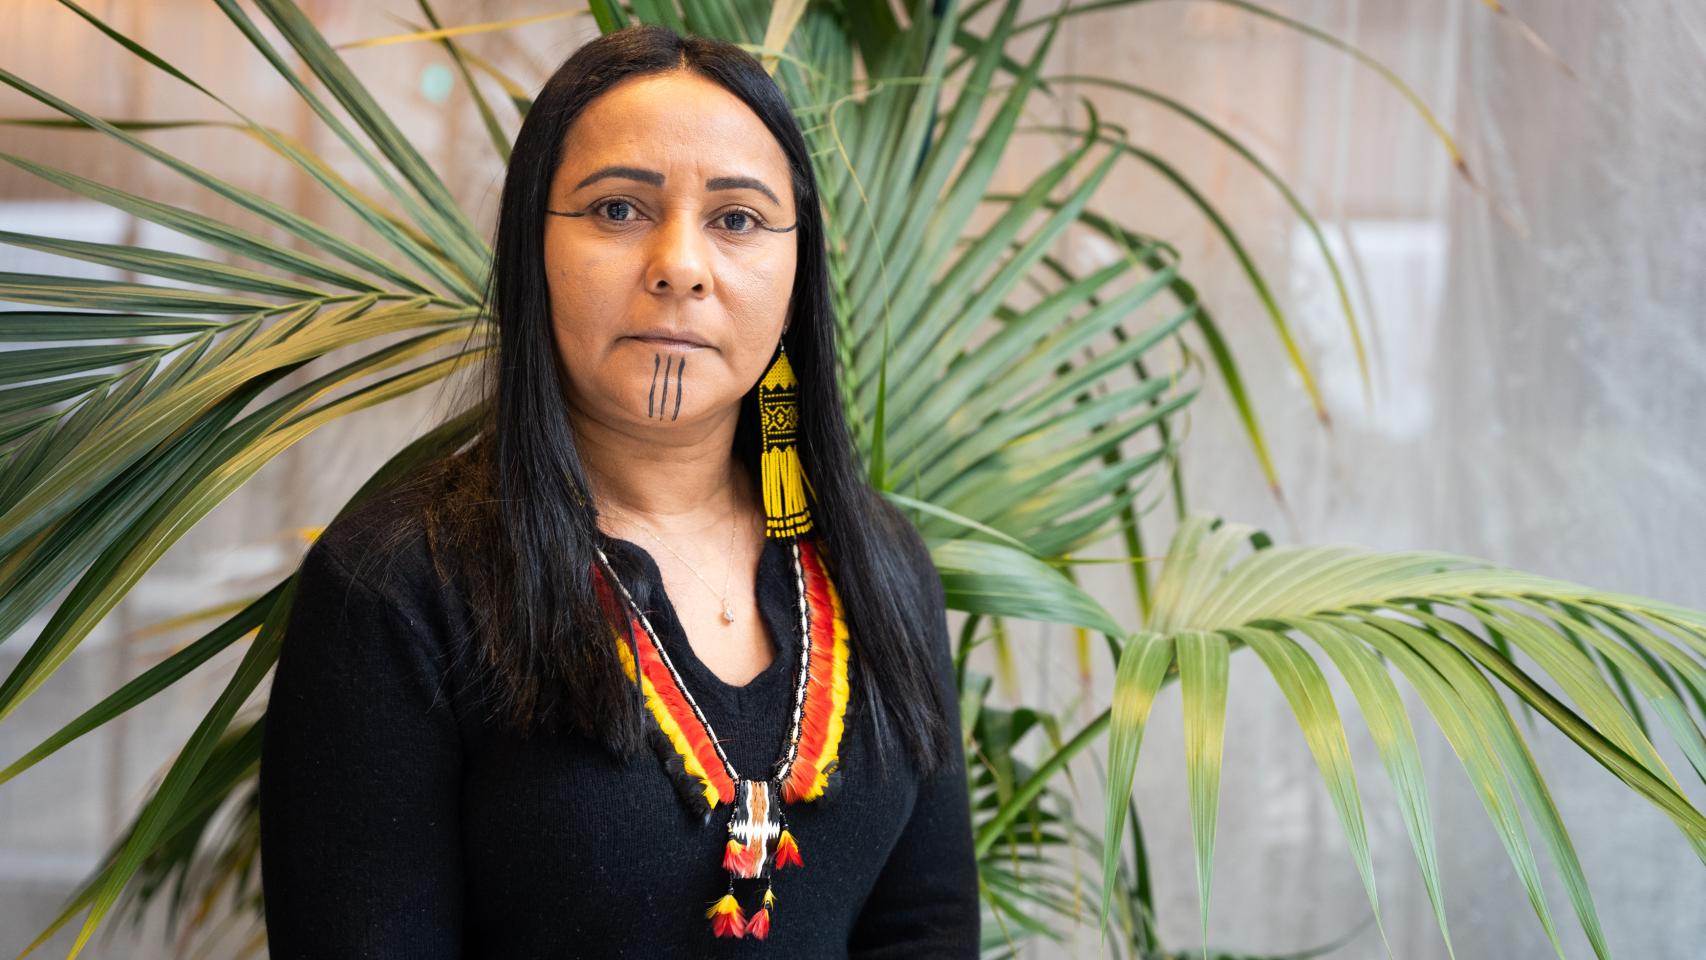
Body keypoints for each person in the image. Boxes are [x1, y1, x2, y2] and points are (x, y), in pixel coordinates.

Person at [257, 22, 980, 959]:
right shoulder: (397, 586)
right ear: (533, 248)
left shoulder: (876, 562)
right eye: (618, 209)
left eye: (737, 219)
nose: (680, 265)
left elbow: (925, 930)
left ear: (798, 270)